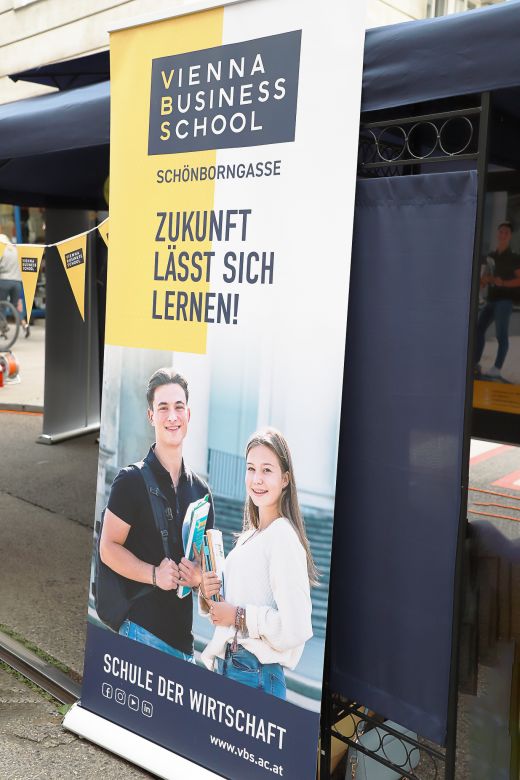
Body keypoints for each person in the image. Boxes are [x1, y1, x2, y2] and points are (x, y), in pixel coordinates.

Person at [100, 368, 214, 661]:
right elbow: (107, 548)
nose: (172, 416)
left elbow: (207, 571)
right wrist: (154, 574)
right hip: (140, 633)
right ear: (151, 416)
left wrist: (197, 577)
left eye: (179, 407)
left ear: (188, 414)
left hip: (185, 647)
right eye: (163, 408)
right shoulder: (130, 481)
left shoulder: (201, 492)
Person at [200, 428, 315, 699]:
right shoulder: (249, 537)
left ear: (285, 479)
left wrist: (238, 616)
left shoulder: (282, 535)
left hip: (255, 674)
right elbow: (229, 606)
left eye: (267, 470)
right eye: (251, 469)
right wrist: (208, 593)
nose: (257, 479)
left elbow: (296, 626)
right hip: (232, 666)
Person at [475, 221, 520, 379]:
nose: (503, 235)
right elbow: (483, 280)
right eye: (501, 231)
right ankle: (475, 362)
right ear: (497, 234)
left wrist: (504, 283)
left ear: (510, 236)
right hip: (491, 300)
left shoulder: (514, 257)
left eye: (506, 232)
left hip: (504, 301)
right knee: (478, 330)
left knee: (501, 335)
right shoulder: (491, 256)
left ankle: (497, 368)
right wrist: (484, 280)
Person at [0, 235, 30, 337]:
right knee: (15, 305)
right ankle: (24, 324)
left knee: (1, 306)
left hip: (4, 280)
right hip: (17, 282)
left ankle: (3, 328)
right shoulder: (16, 250)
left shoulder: (2, 250)